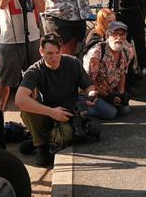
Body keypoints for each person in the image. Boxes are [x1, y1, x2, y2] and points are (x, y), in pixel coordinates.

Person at [15, 35, 97, 166]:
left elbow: (88, 86)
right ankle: (41, 146)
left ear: (61, 51)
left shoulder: (73, 63)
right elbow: (19, 100)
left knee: (66, 135)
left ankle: (38, 139)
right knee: (26, 111)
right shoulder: (35, 70)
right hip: (47, 113)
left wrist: (91, 94)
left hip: (68, 114)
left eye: (57, 53)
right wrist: (51, 112)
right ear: (41, 52)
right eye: (49, 53)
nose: (54, 57)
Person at [83, 21, 134, 119]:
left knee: (124, 110)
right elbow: (88, 82)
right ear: (107, 36)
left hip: (111, 91)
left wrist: (120, 93)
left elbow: (122, 73)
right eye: (114, 34)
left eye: (122, 34)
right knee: (111, 113)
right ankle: (81, 107)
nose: (119, 38)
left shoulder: (126, 51)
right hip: (93, 92)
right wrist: (108, 96)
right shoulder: (96, 53)